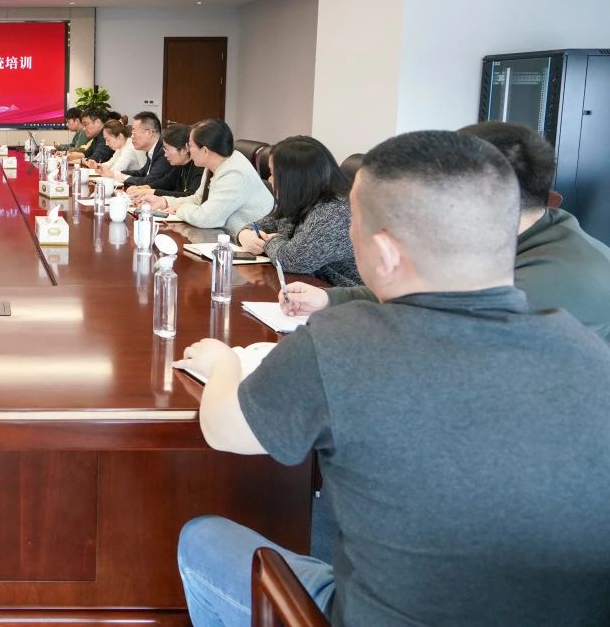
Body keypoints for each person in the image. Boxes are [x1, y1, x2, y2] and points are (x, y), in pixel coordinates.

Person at [175, 130, 610, 626]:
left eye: (354, 224)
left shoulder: (346, 342)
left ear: (383, 252)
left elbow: (224, 429)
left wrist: (222, 363)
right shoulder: (589, 352)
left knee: (202, 538)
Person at [282, 121, 610, 340]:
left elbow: (438, 340)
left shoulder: (554, 282)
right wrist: (330, 298)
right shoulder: (491, 234)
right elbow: (426, 288)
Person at [235, 136, 360, 286]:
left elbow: (292, 261)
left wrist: (269, 241)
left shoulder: (334, 212)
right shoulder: (304, 199)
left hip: (344, 296)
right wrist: (245, 234)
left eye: (274, 174)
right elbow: (266, 225)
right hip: (311, 287)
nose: (269, 179)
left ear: (293, 179)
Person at [147, 118, 272, 234]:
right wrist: (165, 201)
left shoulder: (234, 174)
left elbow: (206, 219)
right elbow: (199, 200)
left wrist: (180, 209)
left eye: (190, 146)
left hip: (254, 238)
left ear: (205, 151)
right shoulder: (213, 164)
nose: (188, 150)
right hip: (227, 233)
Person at [127, 123, 203, 199]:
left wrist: (152, 192)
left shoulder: (199, 167)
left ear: (185, 149)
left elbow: (190, 196)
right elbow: (167, 181)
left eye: (167, 149)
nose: (165, 155)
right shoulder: (181, 164)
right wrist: (146, 187)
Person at [102, 111, 173, 188]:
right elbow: (142, 173)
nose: (131, 137)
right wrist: (116, 174)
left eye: (134, 133)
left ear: (148, 133)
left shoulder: (164, 152)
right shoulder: (152, 149)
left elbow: (149, 181)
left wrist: (123, 177)